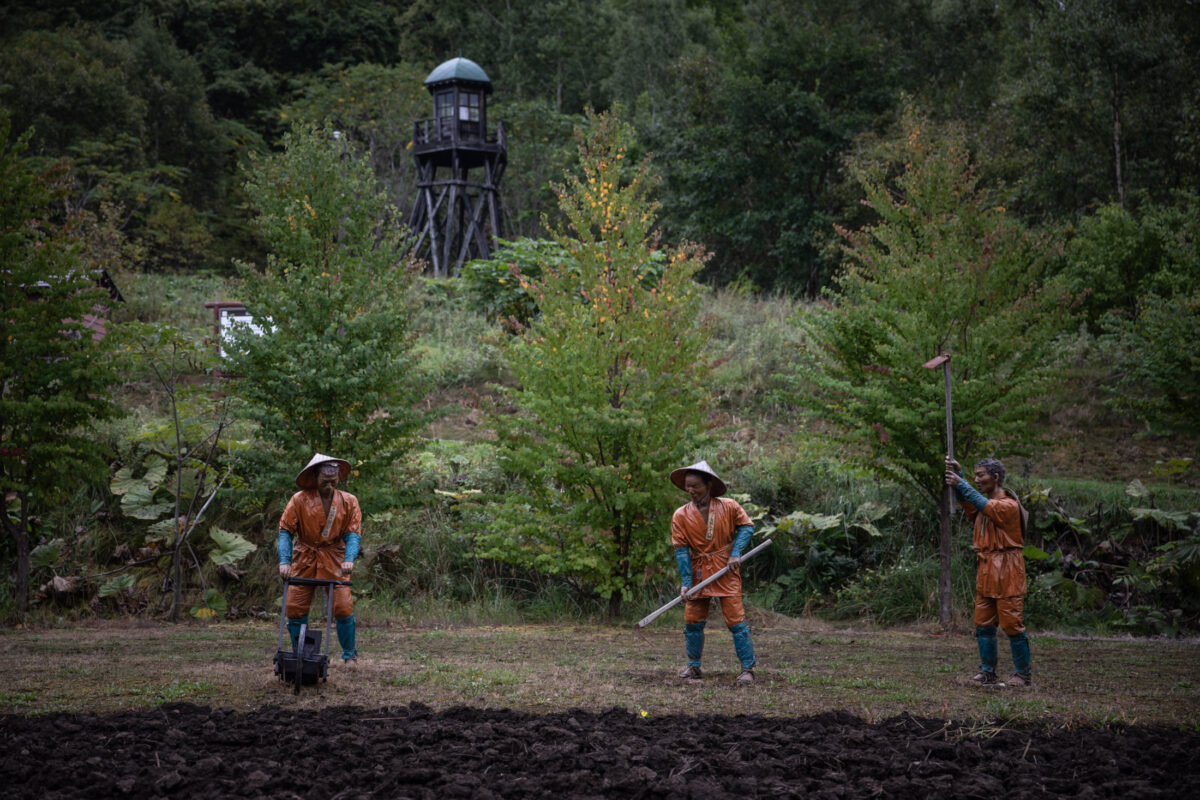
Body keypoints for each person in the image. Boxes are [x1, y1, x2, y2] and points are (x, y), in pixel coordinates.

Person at [945, 455, 1032, 687]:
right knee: (983, 623)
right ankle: (987, 672)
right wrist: (960, 476)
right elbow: (972, 503)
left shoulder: (1008, 505)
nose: (977, 479)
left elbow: (984, 504)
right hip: (986, 567)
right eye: (975, 475)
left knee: (1012, 623)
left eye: (980, 475)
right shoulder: (984, 505)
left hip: (1007, 568)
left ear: (995, 477)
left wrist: (960, 482)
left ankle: (1022, 675)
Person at [669, 460, 757, 685]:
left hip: (726, 569)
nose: (691, 490)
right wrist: (686, 581)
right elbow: (681, 550)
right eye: (687, 486)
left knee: (736, 621)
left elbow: (747, 526)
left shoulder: (728, 506)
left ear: (708, 485)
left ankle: (748, 668)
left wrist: (736, 552)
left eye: (696, 486)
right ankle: (694, 667)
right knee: (692, 622)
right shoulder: (680, 515)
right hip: (699, 571)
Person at [278, 453, 363, 663]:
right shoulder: (299, 500)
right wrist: (285, 561)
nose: (329, 486)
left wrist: (349, 558)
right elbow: (285, 531)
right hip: (304, 556)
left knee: (343, 606)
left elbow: (353, 533)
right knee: (294, 607)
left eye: (333, 482)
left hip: (334, 556)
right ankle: (300, 653)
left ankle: (349, 655)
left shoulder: (349, 501)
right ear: (315, 477)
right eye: (325, 481)